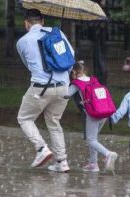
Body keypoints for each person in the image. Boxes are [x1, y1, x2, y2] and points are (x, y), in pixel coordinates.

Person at [16, 9, 74, 173]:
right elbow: (71, 57)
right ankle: (62, 162)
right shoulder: (58, 33)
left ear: (26, 23)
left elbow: (28, 65)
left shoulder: (22, 41)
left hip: (41, 87)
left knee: (25, 118)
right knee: (54, 123)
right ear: (42, 21)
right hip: (64, 87)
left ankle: (41, 148)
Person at [64, 61, 118, 174]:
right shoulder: (93, 80)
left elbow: (66, 95)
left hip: (93, 114)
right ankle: (93, 164)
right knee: (94, 139)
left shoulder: (76, 83)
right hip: (103, 112)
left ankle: (108, 154)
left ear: (74, 72)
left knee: (91, 139)